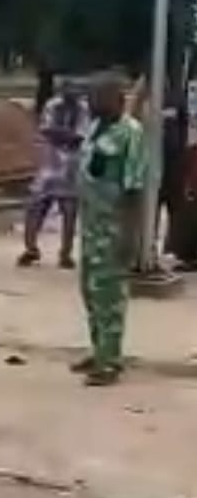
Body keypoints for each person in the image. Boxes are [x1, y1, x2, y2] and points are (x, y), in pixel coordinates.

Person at [73, 72, 148, 386]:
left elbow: (135, 189)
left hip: (115, 227)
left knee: (111, 296)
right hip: (91, 225)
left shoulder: (131, 133)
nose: (91, 102)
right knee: (90, 290)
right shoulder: (95, 128)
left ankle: (111, 362)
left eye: (97, 96)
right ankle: (99, 350)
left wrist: (132, 236)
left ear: (116, 99)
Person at [17, 80, 90, 269]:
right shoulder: (52, 105)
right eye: (68, 90)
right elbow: (47, 130)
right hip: (49, 164)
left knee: (69, 212)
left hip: (71, 167)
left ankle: (65, 253)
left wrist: (60, 134)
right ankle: (31, 248)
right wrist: (67, 135)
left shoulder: (83, 108)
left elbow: (80, 136)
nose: (71, 93)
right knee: (35, 207)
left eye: (75, 90)